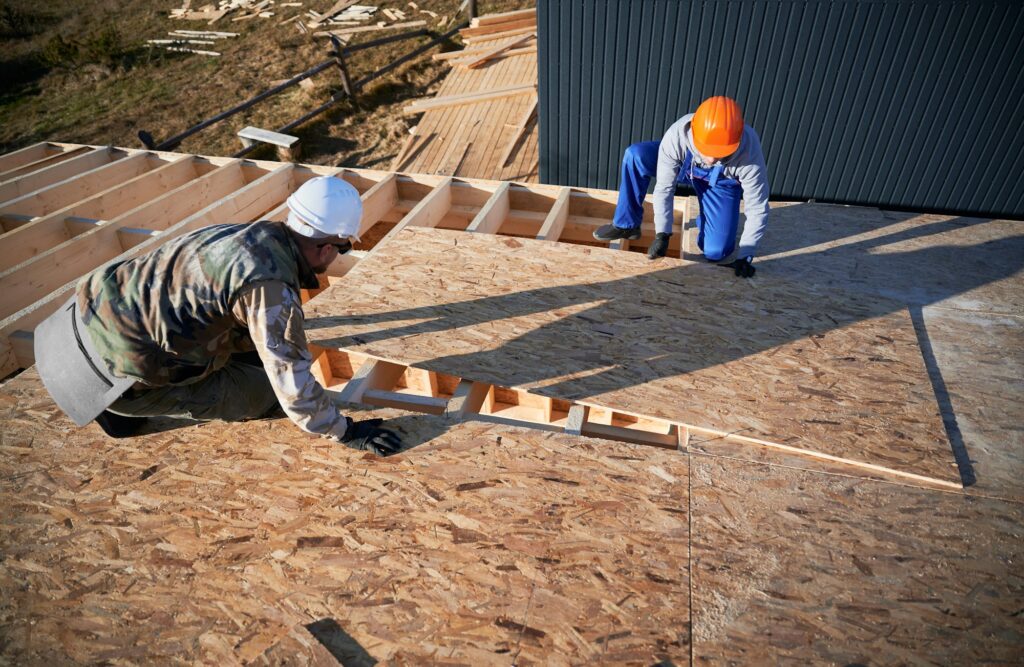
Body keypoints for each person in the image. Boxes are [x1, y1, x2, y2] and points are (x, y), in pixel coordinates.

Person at [33, 176, 403, 456]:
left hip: (75, 327)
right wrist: (346, 431)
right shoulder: (270, 288)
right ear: (325, 248)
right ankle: (124, 411)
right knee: (267, 397)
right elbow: (294, 390)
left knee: (248, 346)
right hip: (105, 381)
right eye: (341, 248)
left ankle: (131, 396)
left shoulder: (243, 234)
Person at [593, 95, 770, 278]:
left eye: (719, 154)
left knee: (716, 252)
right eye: (707, 150)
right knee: (636, 156)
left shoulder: (749, 153)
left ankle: (708, 218)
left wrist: (746, 253)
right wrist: (663, 233)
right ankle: (627, 224)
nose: (711, 159)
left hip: (721, 183)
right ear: (694, 133)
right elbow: (664, 188)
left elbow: (757, 207)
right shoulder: (678, 134)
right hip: (684, 168)